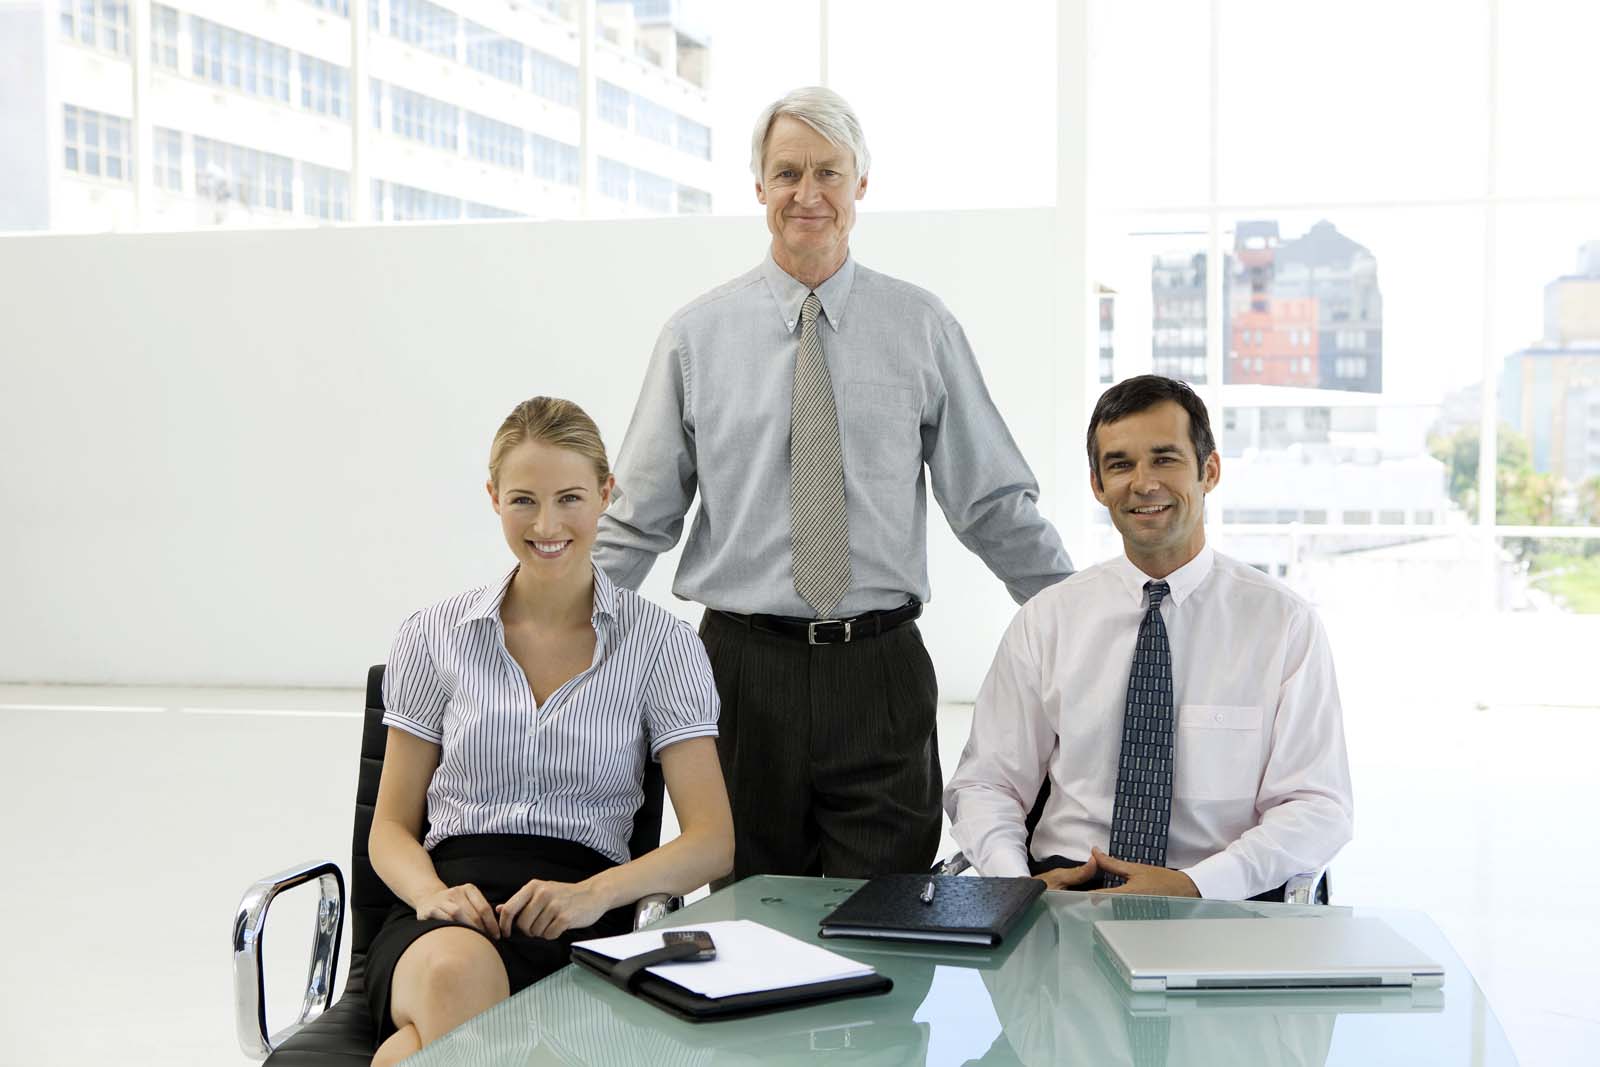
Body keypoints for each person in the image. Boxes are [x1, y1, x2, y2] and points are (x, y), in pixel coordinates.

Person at [593, 86, 1072, 881]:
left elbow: (992, 506)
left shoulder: (921, 327)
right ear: (759, 187)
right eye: (787, 173)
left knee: (886, 921)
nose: (806, 193)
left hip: (878, 670)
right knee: (750, 918)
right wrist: (552, 634)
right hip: (740, 673)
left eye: (828, 172)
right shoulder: (695, 337)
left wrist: (1088, 625)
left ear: (861, 184)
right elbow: (639, 518)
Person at [365, 397, 734, 1065]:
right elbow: (389, 826)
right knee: (456, 974)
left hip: (587, 919)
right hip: (450, 914)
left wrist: (592, 895)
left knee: (407, 1056)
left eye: (569, 499)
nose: (546, 525)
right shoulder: (433, 635)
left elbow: (712, 841)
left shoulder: (663, 646)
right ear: (493, 498)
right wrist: (432, 896)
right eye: (523, 501)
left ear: (606, 495)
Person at [944, 375, 1353, 900]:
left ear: (1209, 471)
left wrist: (1195, 885)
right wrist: (1017, 887)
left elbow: (1317, 806)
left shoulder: (1283, 624)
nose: (1143, 483)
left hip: (1219, 893)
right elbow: (986, 783)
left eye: (1165, 459)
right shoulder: (1048, 619)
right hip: (1066, 891)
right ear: (1098, 485)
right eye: (1120, 465)